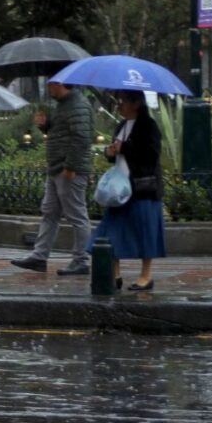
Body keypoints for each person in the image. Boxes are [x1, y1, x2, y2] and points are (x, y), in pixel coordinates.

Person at [11, 82, 94, 275]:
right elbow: (62, 134)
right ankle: (39, 257)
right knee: (49, 212)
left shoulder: (78, 105)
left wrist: (71, 166)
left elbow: (81, 137)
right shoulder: (64, 105)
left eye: (51, 85)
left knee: (76, 214)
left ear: (60, 84)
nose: (49, 88)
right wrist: (46, 126)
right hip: (57, 168)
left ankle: (81, 260)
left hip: (68, 170)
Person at [88, 90, 165, 291]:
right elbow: (115, 154)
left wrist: (126, 148)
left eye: (123, 101)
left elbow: (151, 155)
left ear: (137, 103)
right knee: (110, 232)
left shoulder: (148, 126)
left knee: (144, 232)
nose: (119, 105)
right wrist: (110, 152)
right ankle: (115, 274)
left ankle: (146, 276)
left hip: (142, 188)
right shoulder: (121, 126)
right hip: (119, 188)